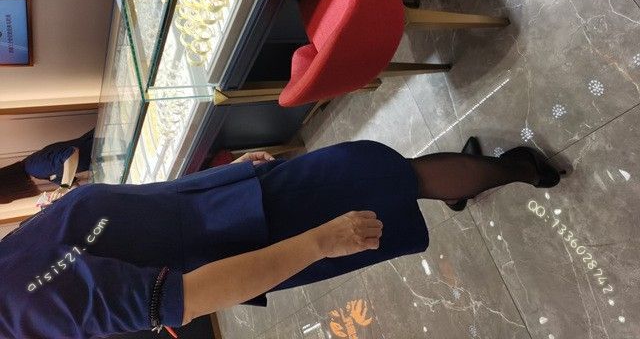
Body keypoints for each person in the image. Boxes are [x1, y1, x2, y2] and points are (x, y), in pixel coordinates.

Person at [0, 139, 563, 338]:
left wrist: (220, 177)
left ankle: (473, 176)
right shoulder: (24, 301)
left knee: (378, 171)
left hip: (231, 203)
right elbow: (187, 299)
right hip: (257, 235)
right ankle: (522, 168)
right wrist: (319, 243)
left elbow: (134, 218)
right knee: (391, 178)